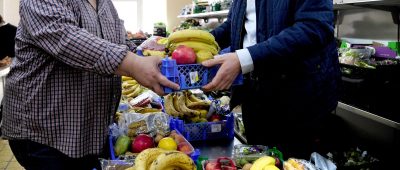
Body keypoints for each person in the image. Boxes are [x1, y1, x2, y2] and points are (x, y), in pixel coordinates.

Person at [0, 0, 179, 169]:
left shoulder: (104, 3)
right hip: (44, 130)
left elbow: (119, 42)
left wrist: (146, 57)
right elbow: (66, 38)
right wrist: (133, 64)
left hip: (87, 128)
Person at [203, 0, 342, 158]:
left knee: (293, 162)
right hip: (254, 93)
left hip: (297, 97)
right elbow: (234, 25)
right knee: (259, 161)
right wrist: (201, 41)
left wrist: (245, 59)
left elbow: (314, 27)